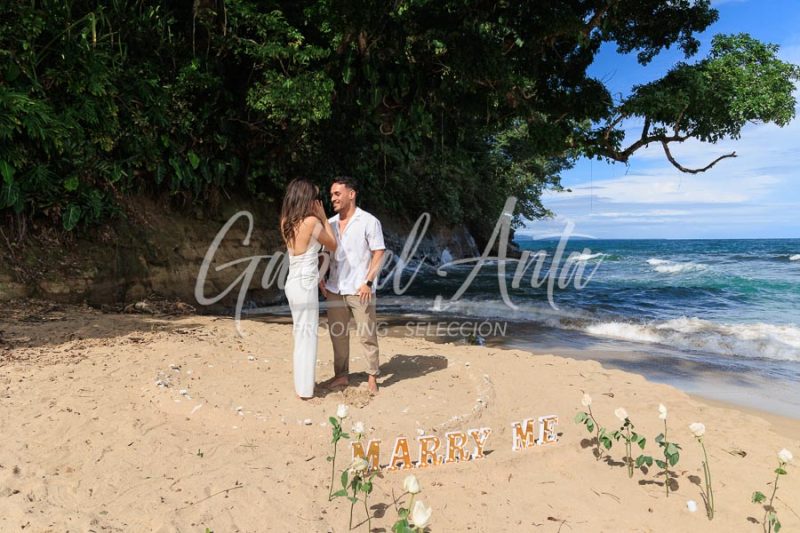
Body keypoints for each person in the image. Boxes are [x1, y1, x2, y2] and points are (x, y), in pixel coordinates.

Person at [319, 176, 386, 395]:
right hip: (334, 288)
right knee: (337, 334)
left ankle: (372, 376)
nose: (333, 198)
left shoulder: (369, 221)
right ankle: (341, 376)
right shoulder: (328, 223)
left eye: (337, 194)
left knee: (366, 334)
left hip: (360, 288)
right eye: (331, 195)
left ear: (351, 194)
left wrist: (368, 282)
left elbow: (379, 253)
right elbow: (324, 254)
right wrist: (321, 277)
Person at [280, 179, 337, 399]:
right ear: (306, 199)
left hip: (292, 283)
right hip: (304, 285)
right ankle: (305, 390)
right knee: (307, 335)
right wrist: (324, 217)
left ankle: (303, 384)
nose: (317, 201)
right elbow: (333, 245)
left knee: (300, 333)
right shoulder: (313, 222)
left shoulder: (286, 220)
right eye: (314, 197)